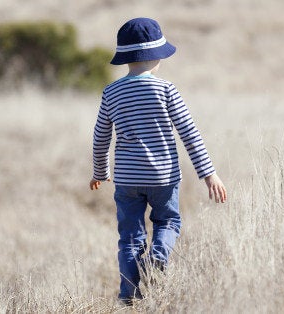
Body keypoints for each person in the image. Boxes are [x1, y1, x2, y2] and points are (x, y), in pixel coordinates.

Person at [88, 17, 227, 305]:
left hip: (126, 180)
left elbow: (101, 137)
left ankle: (129, 295)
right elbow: (190, 134)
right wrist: (208, 174)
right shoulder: (166, 90)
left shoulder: (111, 92)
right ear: (157, 56)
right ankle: (157, 258)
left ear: (126, 57)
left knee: (129, 238)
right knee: (167, 222)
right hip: (163, 177)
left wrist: (100, 172)